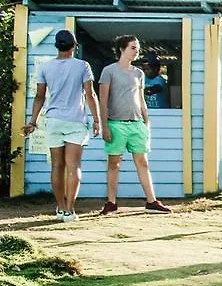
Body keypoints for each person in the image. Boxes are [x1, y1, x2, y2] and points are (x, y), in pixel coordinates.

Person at [23, 29, 101, 222]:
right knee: (73, 167)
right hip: (76, 121)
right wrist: (97, 120)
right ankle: (69, 210)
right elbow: (90, 94)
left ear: (57, 46)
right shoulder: (83, 65)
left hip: (54, 121)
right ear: (75, 46)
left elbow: (40, 97)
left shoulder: (45, 67)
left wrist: (32, 122)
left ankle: (59, 208)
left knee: (57, 166)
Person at [97, 35, 171, 216]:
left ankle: (152, 201)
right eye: (133, 47)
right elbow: (103, 100)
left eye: (137, 47)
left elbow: (141, 100)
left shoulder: (138, 73)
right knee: (114, 163)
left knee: (142, 162)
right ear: (122, 49)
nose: (136, 51)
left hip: (136, 123)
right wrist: (104, 126)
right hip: (116, 124)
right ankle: (111, 203)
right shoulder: (109, 71)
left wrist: (146, 121)